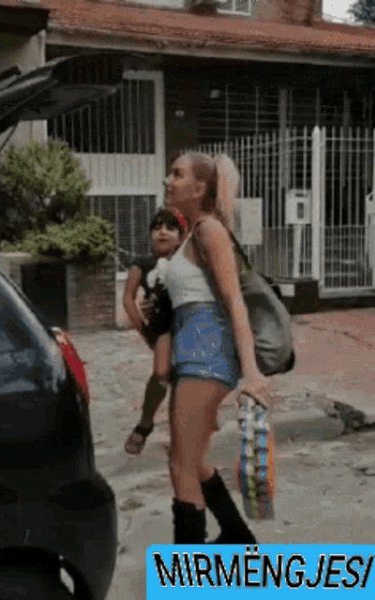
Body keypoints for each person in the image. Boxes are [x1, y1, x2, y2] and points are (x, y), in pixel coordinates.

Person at [164, 151, 271, 544]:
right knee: (187, 459)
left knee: (183, 468)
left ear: (199, 188)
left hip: (205, 356)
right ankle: (237, 536)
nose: (168, 180)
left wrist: (251, 373)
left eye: (177, 174)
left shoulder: (210, 230)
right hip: (192, 356)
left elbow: (234, 302)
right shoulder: (194, 232)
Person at [123, 208, 187, 455]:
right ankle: (146, 421)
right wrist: (144, 330)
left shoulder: (187, 263)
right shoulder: (142, 264)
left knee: (184, 380)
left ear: (180, 236)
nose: (163, 232)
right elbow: (128, 299)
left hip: (188, 324)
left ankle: (180, 435)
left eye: (170, 228)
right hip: (162, 326)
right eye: (157, 227)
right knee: (161, 373)